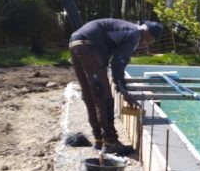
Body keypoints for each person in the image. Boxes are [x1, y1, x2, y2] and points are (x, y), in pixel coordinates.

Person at [69, 18, 163, 155]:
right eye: (148, 41)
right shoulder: (134, 33)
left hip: (75, 41)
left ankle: (99, 139)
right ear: (146, 32)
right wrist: (123, 91)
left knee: (89, 95)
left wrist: (121, 88)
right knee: (104, 97)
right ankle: (111, 141)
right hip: (88, 45)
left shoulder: (128, 30)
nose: (145, 45)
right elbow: (118, 63)